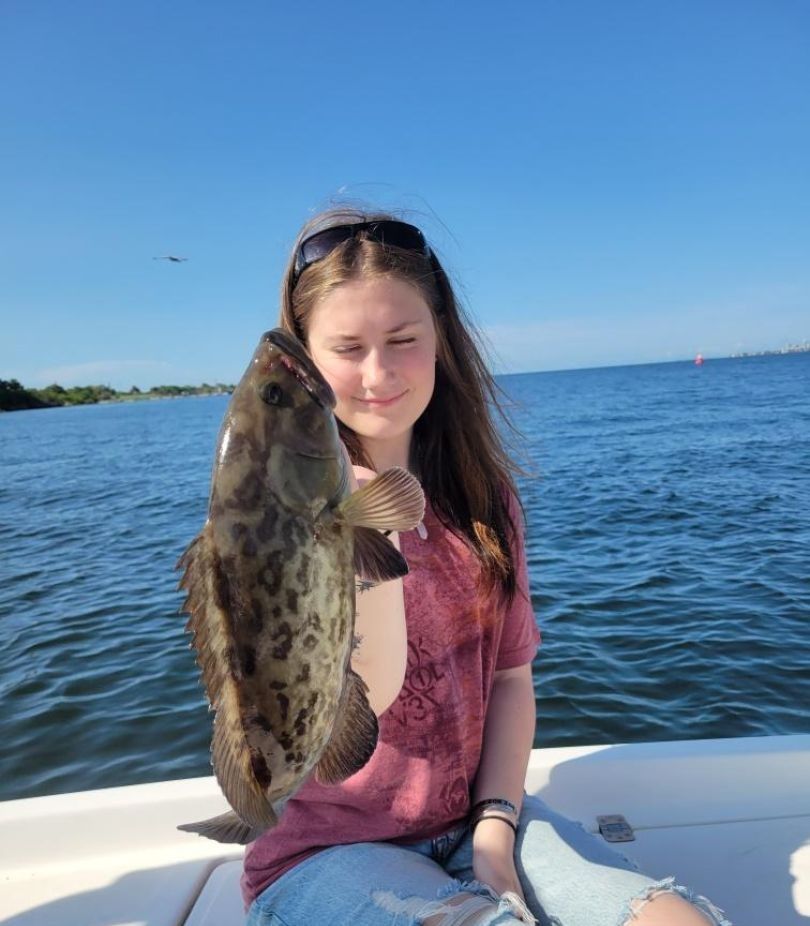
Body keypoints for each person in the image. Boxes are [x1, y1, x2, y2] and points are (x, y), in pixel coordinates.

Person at [242, 209, 731, 926]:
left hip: (469, 821)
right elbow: (359, 703)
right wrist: (359, 523)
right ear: (306, 361)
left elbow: (508, 676)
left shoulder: (483, 499)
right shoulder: (275, 516)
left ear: (442, 341)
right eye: (347, 347)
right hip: (322, 852)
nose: (378, 372)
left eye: (403, 340)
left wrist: (495, 829)